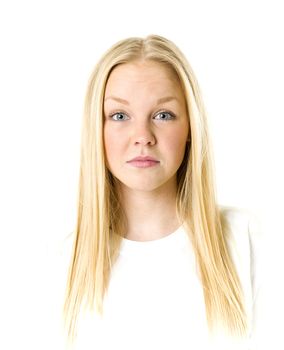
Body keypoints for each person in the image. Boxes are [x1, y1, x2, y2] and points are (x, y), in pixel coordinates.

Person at [61, 34, 262, 349]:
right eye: (119, 116)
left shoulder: (248, 238)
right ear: (96, 130)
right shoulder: (62, 263)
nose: (143, 136)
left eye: (163, 115)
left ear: (190, 129)